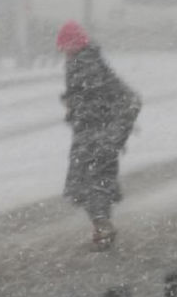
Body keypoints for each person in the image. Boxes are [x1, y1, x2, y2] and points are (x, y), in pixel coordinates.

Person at [57, 21, 141, 250]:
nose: (63, 51)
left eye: (65, 46)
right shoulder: (83, 61)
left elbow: (95, 100)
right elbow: (94, 96)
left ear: (74, 44)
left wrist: (76, 106)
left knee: (93, 183)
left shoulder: (85, 64)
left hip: (96, 135)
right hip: (94, 135)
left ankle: (103, 229)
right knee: (92, 183)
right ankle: (102, 227)